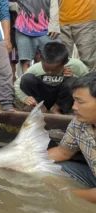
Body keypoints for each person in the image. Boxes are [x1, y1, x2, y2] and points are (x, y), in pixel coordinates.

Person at [48, 72, 96, 203]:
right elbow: (62, 152)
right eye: (74, 100)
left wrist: (66, 194)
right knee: (47, 168)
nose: (73, 107)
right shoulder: (79, 122)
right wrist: (23, 160)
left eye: (80, 101)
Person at [14, 42, 89, 114]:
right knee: (27, 78)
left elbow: (89, 83)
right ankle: (41, 107)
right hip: (43, 97)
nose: (49, 72)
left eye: (54, 69)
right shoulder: (36, 68)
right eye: (46, 69)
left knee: (72, 82)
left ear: (65, 63)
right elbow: (17, 84)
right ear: (41, 61)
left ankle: (56, 108)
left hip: (63, 99)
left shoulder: (76, 65)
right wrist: (24, 98)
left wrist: (74, 77)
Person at [12, 0, 60, 73]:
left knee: (54, 60)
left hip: (48, 29)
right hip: (24, 29)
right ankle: (28, 83)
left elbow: (55, 5)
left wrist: (54, 25)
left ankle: (49, 83)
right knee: (26, 62)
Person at [59, 0, 96, 72]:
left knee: (88, 61)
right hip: (60, 19)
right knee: (61, 60)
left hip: (86, 18)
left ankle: (89, 82)